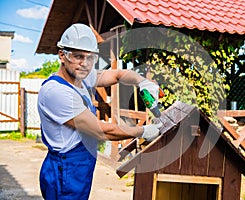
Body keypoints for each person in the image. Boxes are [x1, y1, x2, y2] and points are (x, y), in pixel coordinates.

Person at [37, 23, 162, 200]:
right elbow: (99, 130)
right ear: (62, 55)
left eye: (90, 58)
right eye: (78, 56)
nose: (85, 63)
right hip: (65, 171)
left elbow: (117, 75)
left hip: (78, 167)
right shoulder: (56, 92)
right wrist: (142, 131)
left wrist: (143, 82)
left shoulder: (81, 77)